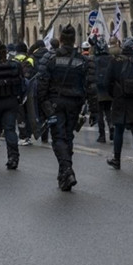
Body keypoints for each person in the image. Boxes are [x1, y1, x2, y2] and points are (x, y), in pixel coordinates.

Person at [38, 25, 98, 191]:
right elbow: (91, 86)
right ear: (74, 41)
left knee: (58, 138)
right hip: (74, 104)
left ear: (61, 39)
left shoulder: (50, 59)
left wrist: (43, 104)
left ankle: (66, 170)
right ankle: (63, 176)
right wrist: (94, 110)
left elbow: (42, 83)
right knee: (68, 137)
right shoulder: (83, 61)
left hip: (55, 104)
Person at [104, 37, 133, 171]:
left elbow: (107, 81)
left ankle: (116, 159)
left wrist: (114, 93)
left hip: (120, 99)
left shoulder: (115, 61)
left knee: (119, 129)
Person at [93, 38, 115, 145]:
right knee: (108, 110)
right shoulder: (111, 58)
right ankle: (111, 126)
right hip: (109, 88)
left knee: (100, 112)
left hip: (98, 89)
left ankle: (102, 135)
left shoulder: (95, 60)